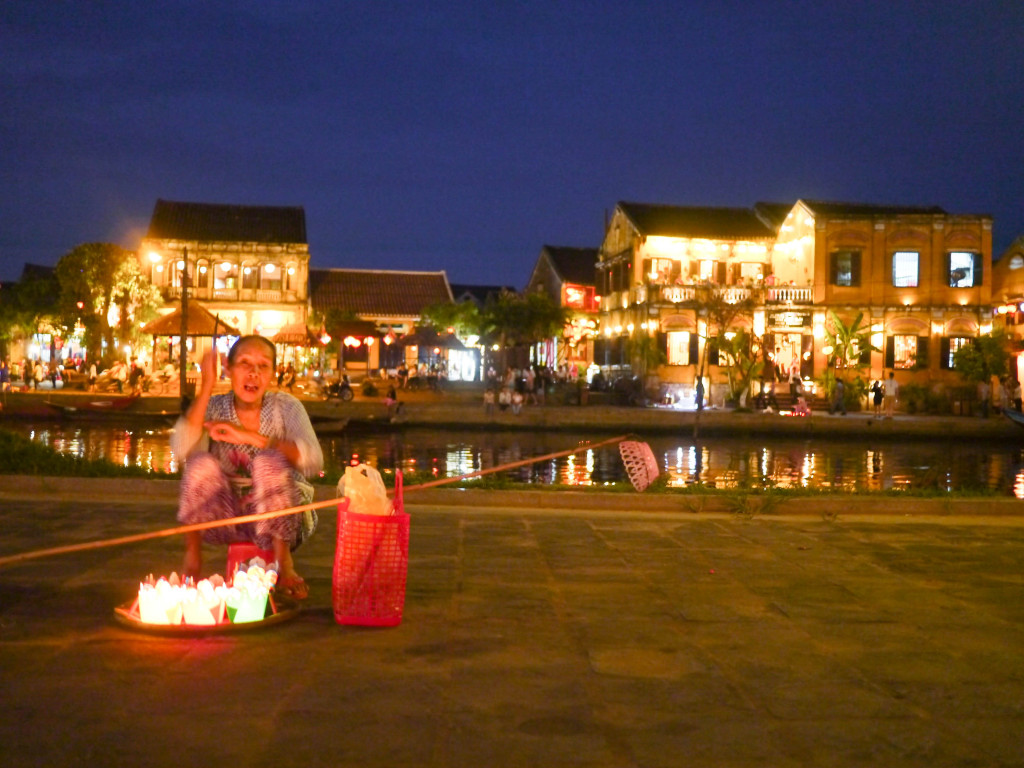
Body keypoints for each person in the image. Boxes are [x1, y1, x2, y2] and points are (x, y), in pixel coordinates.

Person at [170, 335, 323, 600]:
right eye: (244, 363)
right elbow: (180, 447)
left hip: (283, 518)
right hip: (228, 518)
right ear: (227, 369)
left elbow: (314, 461)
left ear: (273, 374)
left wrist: (247, 437)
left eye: (263, 366)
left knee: (268, 461)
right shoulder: (216, 406)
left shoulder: (286, 407)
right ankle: (193, 560)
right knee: (198, 463)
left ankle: (284, 563)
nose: (253, 373)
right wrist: (207, 385)